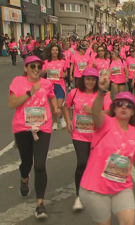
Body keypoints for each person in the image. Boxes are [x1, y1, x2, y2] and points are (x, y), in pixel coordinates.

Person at [79, 82, 135, 224]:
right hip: (95, 189)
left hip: (121, 188)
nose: (124, 107)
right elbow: (96, 113)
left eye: (129, 105)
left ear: (134, 111)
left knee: (129, 222)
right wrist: (102, 92)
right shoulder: (105, 123)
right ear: (114, 108)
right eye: (119, 104)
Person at [8, 56, 61, 219]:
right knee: (26, 163)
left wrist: (55, 107)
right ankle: (24, 178)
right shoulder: (18, 81)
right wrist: (31, 91)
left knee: (39, 165)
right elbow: (12, 104)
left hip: (43, 126)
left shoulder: (46, 83)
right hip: (22, 128)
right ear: (26, 68)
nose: (37, 69)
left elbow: (51, 95)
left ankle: (40, 204)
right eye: (33, 66)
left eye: (39, 66)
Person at [62, 67, 112, 211]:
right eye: (87, 79)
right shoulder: (75, 92)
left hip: (97, 135)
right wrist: (68, 121)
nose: (90, 82)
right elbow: (66, 107)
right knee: (82, 162)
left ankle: (95, 191)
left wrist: (95, 111)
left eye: (93, 79)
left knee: (95, 165)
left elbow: (109, 111)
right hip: (80, 134)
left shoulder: (103, 94)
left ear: (96, 81)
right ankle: (79, 195)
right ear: (83, 79)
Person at [41, 44, 68, 131]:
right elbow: (41, 74)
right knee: (54, 106)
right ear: (50, 51)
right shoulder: (46, 62)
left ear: (58, 51)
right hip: (50, 86)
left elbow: (65, 72)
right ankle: (55, 123)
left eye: (56, 50)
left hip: (60, 84)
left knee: (59, 105)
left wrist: (64, 75)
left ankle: (61, 118)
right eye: (53, 50)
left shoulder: (62, 61)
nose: (54, 52)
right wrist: (44, 71)